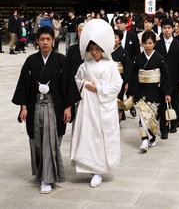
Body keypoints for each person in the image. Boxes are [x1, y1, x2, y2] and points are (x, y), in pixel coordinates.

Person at [12, 26, 81, 194]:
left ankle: (47, 179)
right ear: (37, 41)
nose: (45, 42)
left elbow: (67, 85)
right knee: (37, 141)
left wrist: (68, 107)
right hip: (35, 106)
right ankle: (42, 173)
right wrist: (23, 107)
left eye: (48, 39)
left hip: (54, 106)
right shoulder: (31, 61)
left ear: (53, 40)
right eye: (42, 39)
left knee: (51, 142)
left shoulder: (61, 61)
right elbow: (24, 86)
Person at [70, 19, 122, 187]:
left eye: (97, 49)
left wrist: (98, 87)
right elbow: (76, 80)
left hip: (103, 104)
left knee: (101, 135)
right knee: (88, 133)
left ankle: (99, 169)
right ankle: (90, 167)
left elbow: (117, 85)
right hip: (88, 104)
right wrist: (84, 84)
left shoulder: (111, 65)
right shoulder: (85, 65)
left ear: (103, 49)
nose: (94, 52)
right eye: (91, 49)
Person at [129, 30, 172, 152]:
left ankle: (151, 137)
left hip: (156, 91)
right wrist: (134, 93)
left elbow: (165, 76)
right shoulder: (138, 59)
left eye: (150, 43)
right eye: (145, 43)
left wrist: (167, 92)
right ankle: (144, 141)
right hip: (142, 91)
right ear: (141, 44)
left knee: (153, 117)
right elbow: (134, 77)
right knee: (143, 116)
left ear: (154, 44)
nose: (147, 45)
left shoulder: (159, 58)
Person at [155, 18, 179, 138]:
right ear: (161, 30)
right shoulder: (157, 44)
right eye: (164, 28)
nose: (166, 30)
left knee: (175, 102)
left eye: (168, 28)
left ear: (173, 29)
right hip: (162, 79)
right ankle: (164, 128)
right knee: (162, 103)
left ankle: (173, 124)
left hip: (175, 77)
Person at [112, 29, 133, 122]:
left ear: (120, 40)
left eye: (115, 38)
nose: (113, 39)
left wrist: (127, 81)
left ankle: (118, 119)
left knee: (118, 100)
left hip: (119, 79)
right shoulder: (106, 50)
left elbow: (127, 68)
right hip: (109, 79)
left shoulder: (123, 52)